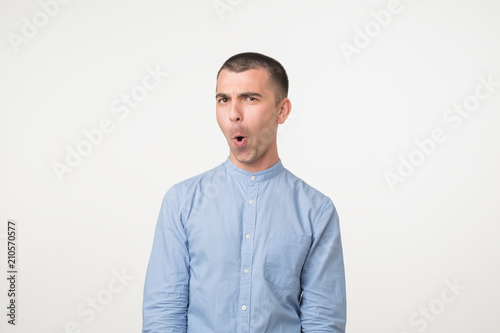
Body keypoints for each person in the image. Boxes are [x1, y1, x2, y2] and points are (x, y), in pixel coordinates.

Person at [142, 52, 346, 332]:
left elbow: (323, 321)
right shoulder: (181, 202)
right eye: (223, 99)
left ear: (282, 111)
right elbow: (164, 313)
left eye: (250, 98)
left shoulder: (316, 211)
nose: (234, 113)